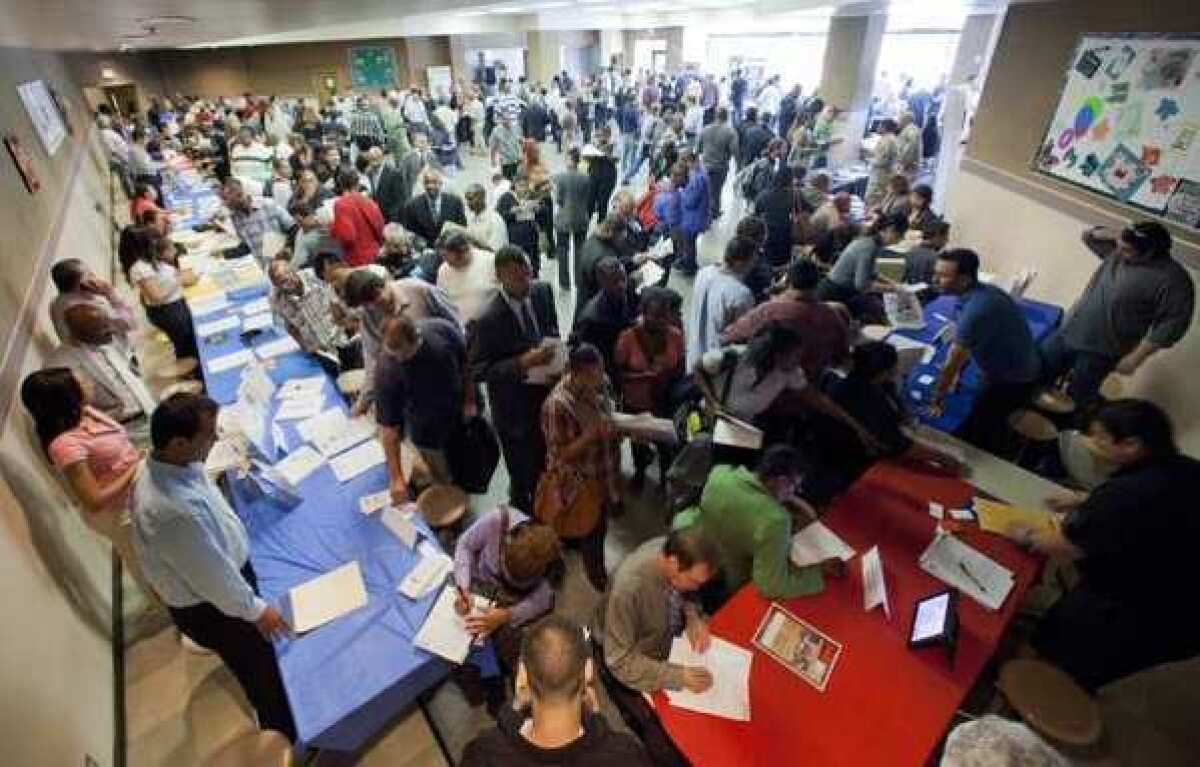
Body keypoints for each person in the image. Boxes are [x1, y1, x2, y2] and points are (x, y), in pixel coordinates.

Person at [130, 393, 296, 741]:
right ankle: (284, 734)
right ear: (178, 442)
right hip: (214, 608)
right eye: (208, 435)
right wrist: (254, 609)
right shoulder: (169, 513)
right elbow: (212, 578)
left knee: (259, 660)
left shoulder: (169, 461)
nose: (215, 440)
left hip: (221, 587)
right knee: (259, 670)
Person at [1016, 399, 1200, 692]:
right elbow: (1153, 506)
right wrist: (1083, 499)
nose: (1091, 443)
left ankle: (1031, 702)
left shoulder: (1124, 495)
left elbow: (1064, 546)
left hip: (1133, 608)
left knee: (1067, 659)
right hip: (1185, 607)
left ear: (1131, 444)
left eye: (1100, 437)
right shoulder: (1185, 468)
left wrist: (1023, 534)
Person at [590, 528, 718, 767]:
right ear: (672, 562)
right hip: (622, 657)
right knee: (661, 741)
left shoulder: (670, 549)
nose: (696, 589)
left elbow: (685, 595)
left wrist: (692, 616)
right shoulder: (629, 590)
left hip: (658, 640)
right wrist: (677, 676)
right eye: (694, 581)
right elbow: (619, 660)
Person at [21, 368, 153, 597]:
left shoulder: (86, 412)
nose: (89, 382)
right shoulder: (64, 445)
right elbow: (94, 500)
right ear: (66, 395)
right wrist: (135, 467)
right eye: (81, 381)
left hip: (139, 491)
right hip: (119, 513)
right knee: (147, 568)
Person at [1039, 223, 1194, 412]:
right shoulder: (1119, 252)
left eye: (1126, 250)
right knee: (1038, 371)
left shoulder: (1174, 281)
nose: (1118, 253)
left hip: (1101, 350)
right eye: (1118, 247)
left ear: (1150, 252)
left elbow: (1172, 325)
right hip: (1069, 330)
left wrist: (1136, 358)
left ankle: (1058, 433)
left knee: (1075, 400)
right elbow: (1088, 237)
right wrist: (1118, 233)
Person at [461, 615, 650, 767]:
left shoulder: (482, 754)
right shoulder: (626, 755)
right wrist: (598, 725)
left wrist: (512, 714)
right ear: (588, 672)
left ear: (522, 676)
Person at [679, 445, 843, 611]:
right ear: (782, 481)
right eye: (795, 486)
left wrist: (785, 498)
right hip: (727, 580)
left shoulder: (720, 474)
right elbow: (771, 585)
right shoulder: (776, 521)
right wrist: (818, 572)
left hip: (695, 552)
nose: (794, 492)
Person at [470, 246, 561, 513]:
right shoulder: (486, 319)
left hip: (548, 396)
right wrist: (521, 363)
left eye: (528, 275)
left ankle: (549, 508)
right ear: (500, 277)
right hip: (514, 411)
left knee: (548, 460)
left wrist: (556, 360)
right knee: (523, 471)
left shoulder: (542, 292)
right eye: (518, 279)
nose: (526, 284)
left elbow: (552, 329)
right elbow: (479, 370)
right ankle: (525, 514)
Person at [696, 323, 881, 452]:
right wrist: (712, 402)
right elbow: (697, 369)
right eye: (794, 355)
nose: (798, 360)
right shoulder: (732, 358)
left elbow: (819, 401)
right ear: (776, 355)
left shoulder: (790, 373)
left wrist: (857, 427)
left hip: (740, 432)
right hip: (705, 423)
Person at [930, 248, 1041, 453]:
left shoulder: (977, 310)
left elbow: (952, 363)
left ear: (964, 280)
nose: (934, 280)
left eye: (943, 276)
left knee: (982, 428)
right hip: (1015, 362)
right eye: (935, 273)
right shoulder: (982, 292)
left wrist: (937, 398)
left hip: (1012, 378)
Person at [541, 343, 619, 592]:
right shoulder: (557, 406)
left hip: (603, 475)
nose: (599, 383)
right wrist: (591, 435)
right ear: (573, 373)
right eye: (591, 378)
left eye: (600, 374)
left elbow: (609, 415)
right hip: (580, 486)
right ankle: (599, 582)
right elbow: (560, 455)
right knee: (591, 534)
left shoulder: (602, 382)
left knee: (600, 527)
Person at [825, 341, 962, 481]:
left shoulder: (870, 377)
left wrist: (904, 414)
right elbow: (896, 444)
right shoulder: (866, 399)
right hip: (848, 455)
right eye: (895, 365)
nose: (898, 368)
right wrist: (942, 458)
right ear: (886, 371)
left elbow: (892, 394)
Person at [452, 507, 561, 675]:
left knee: (513, 647)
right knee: (461, 639)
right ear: (506, 542)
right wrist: (463, 587)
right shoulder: (496, 520)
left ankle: (511, 678)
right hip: (480, 584)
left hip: (515, 602)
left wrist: (507, 615)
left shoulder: (551, 568)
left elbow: (541, 601)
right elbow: (465, 545)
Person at [375, 314, 474, 499]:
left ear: (417, 339)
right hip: (427, 432)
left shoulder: (442, 330)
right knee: (444, 478)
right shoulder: (387, 371)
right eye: (392, 351)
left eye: (404, 353)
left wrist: (470, 400)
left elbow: (465, 364)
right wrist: (396, 478)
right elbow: (389, 430)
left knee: (468, 463)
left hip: (460, 415)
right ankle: (453, 502)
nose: (399, 358)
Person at [341, 268, 461, 416]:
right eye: (367, 304)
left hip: (451, 377)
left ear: (384, 284)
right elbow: (373, 363)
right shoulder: (369, 316)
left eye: (376, 297)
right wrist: (362, 404)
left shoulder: (420, 290)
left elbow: (458, 328)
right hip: (417, 393)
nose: (374, 306)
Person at [722, 259, 851, 380]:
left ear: (788, 281)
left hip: (767, 391)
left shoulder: (768, 311)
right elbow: (842, 355)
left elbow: (728, 336)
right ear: (817, 284)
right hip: (811, 388)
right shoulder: (831, 315)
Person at [615, 288, 685, 485]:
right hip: (636, 402)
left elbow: (680, 366)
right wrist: (642, 376)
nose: (661, 321)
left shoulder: (675, 336)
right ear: (643, 313)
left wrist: (667, 376)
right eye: (655, 316)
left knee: (666, 446)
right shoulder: (627, 338)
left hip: (664, 402)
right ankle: (639, 472)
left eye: (664, 316)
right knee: (639, 443)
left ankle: (665, 477)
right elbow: (617, 373)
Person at [119, 226, 199, 361]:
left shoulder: (148, 259)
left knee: (188, 341)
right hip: (168, 311)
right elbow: (156, 296)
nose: (154, 242)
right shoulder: (139, 267)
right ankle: (192, 374)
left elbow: (164, 277)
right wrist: (179, 280)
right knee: (186, 346)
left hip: (175, 306)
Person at [267, 259, 359, 374]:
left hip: (344, 341)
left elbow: (346, 301)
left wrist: (354, 331)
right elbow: (290, 326)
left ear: (293, 271)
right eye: (280, 284)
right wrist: (305, 347)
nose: (286, 285)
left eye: (286, 278)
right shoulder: (277, 298)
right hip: (322, 353)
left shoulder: (316, 277)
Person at [816, 212, 906, 319]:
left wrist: (892, 283)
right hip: (835, 294)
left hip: (841, 290)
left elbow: (871, 272)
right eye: (900, 235)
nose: (901, 239)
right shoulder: (869, 247)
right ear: (890, 230)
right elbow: (862, 285)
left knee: (878, 305)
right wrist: (893, 289)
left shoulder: (871, 241)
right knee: (878, 311)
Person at [685, 235, 757, 370]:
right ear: (740, 262)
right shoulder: (741, 294)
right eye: (752, 261)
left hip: (694, 352)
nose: (752, 266)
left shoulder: (703, 273)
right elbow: (741, 333)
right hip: (716, 361)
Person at [49, 258, 137, 348]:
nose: (95, 277)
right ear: (82, 284)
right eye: (90, 275)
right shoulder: (87, 312)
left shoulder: (56, 303)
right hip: (112, 354)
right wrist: (110, 294)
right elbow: (131, 323)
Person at [572, 257, 636, 380]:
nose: (621, 285)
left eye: (623, 279)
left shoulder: (630, 294)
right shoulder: (591, 319)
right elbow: (589, 357)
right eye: (615, 282)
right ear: (602, 283)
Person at [220, 177, 295, 266]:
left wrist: (288, 247)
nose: (225, 204)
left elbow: (293, 228)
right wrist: (223, 254)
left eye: (228, 201)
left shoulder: (268, 205)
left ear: (240, 195)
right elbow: (247, 246)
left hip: (287, 263)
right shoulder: (235, 218)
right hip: (266, 267)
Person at [436, 231, 499, 324]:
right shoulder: (443, 270)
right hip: (461, 327)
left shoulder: (491, 261)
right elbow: (443, 302)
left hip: (493, 323)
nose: (446, 261)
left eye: (446, 256)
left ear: (461, 252)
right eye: (443, 257)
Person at [553, 148, 592, 291]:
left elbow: (558, 200)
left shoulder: (559, 178)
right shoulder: (586, 178)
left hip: (563, 219)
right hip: (581, 218)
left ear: (570, 160)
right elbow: (588, 198)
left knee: (562, 250)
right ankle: (578, 279)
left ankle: (564, 282)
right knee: (579, 249)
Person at [330, 166, 386, 267]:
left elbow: (347, 236)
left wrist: (332, 227)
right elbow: (380, 227)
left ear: (340, 184)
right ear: (358, 183)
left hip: (356, 258)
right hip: (375, 254)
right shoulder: (369, 202)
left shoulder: (341, 204)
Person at [753, 166, 807, 271]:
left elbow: (756, 214)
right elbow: (807, 209)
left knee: (767, 261)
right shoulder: (795, 194)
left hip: (767, 234)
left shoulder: (763, 195)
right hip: (786, 234)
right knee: (783, 262)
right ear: (790, 179)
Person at [574, 217, 626, 324]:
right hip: (596, 309)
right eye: (622, 237)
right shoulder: (605, 257)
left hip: (583, 299)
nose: (623, 242)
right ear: (615, 234)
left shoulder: (593, 240)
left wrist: (633, 260)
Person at [403, 168, 467, 244]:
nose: (430, 186)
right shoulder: (412, 205)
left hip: (450, 248)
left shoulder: (455, 202)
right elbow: (410, 232)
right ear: (423, 184)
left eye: (434, 182)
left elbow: (462, 228)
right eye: (427, 183)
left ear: (441, 183)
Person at [698, 106, 738, 220]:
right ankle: (714, 213)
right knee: (716, 191)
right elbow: (735, 150)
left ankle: (704, 211)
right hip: (720, 167)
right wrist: (738, 166)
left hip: (705, 165)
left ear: (716, 116)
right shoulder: (730, 132)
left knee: (705, 189)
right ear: (727, 117)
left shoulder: (705, 129)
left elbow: (698, 148)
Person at [676, 152, 710, 276]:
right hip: (698, 216)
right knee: (690, 242)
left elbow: (690, 201)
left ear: (689, 162)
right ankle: (690, 263)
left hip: (693, 219)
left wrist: (680, 191)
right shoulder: (701, 172)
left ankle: (689, 267)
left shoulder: (696, 178)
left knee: (688, 243)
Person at [902, 218, 949, 286]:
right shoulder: (936, 258)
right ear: (937, 236)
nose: (947, 240)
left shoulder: (910, 252)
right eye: (945, 236)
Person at [463, 183, 508, 252]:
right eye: (467, 199)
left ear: (482, 197)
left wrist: (475, 243)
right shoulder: (471, 219)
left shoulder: (495, 219)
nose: (468, 203)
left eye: (471, 199)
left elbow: (496, 251)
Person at [587, 128, 619, 222]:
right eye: (600, 135)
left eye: (605, 135)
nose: (602, 138)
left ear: (609, 136)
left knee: (603, 202)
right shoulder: (594, 145)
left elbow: (616, 159)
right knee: (590, 201)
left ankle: (601, 224)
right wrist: (595, 148)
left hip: (608, 177)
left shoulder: (613, 146)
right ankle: (586, 224)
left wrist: (606, 152)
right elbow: (587, 157)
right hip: (594, 175)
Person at [865, 118, 899, 206]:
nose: (877, 127)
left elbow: (883, 160)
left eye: (879, 125)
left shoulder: (888, 140)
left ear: (884, 127)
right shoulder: (889, 138)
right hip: (883, 173)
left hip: (881, 175)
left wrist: (869, 160)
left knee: (873, 199)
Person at [491, 114, 523, 180]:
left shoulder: (516, 128)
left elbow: (521, 141)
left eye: (510, 120)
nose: (509, 122)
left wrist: (522, 155)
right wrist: (493, 160)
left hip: (516, 159)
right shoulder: (496, 131)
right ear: (502, 121)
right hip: (505, 161)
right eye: (506, 120)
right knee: (507, 180)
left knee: (517, 179)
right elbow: (493, 147)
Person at [895, 111, 923, 179]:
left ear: (906, 120)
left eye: (900, 120)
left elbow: (911, 147)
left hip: (908, 165)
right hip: (907, 164)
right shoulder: (908, 129)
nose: (898, 122)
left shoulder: (911, 130)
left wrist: (904, 162)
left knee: (903, 184)